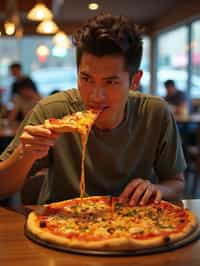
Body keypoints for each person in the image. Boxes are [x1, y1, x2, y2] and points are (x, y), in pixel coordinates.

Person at [0, 13, 186, 206]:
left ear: (135, 80)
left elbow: (177, 182)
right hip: (61, 224)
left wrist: (157, 189)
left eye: (111, 82)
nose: (95, 96)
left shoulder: (154, 113)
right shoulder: (52, 111)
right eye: (86, 79)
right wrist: (24, 155)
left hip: (135, 223)